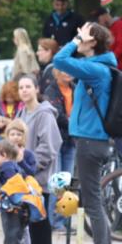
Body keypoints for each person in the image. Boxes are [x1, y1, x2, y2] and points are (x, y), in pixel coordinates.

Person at [53, 21, 117, 244]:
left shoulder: (97, 69)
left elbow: (59, 59)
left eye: (83, 35)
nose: (79, 38)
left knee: (93, 203)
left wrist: (75, 42)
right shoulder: (99, 68)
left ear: (93, 42)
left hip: (91, 142)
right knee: (91, 201)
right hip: (92, 141)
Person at [13, 74, 58, 244]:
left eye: (28, 86)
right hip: (22, 175)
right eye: (21, 87)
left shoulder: (45, 114)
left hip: (38, 175)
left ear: (36, 89)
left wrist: (31, 167)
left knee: (39, 216)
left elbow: (48, 147)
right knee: (28, 217)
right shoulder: (21, 114)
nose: (24, 90)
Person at [0, 139, 45, 244]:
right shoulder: (13, 165)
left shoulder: (8, 167)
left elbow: (15, 185)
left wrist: (6, 195)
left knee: (12, 233)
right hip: (20, 207)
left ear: (3, 155)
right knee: (17, 233)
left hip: (13, 207)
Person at [44, 68, 76, 229]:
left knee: (66, 182)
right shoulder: (51, 91)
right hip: (57, 140)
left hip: (71, 141)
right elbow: (56, 114)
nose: (68, 73)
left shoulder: (76, 88)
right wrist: (74, 124)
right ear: (57, 73)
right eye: (64, 70)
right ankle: (53, 221)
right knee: (57, 182)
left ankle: (61, 220)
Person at [93, 7, 122, 78]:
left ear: (105, 16)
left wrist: (110, 58)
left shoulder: (121, 25)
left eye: (98, 20)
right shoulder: (109, 29)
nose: (99, 23)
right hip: (118, 68)